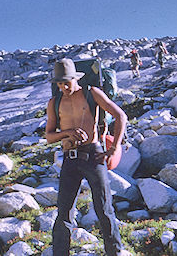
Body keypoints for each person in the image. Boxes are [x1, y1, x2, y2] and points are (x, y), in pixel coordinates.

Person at [46, 58, 128, 256]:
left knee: (104, 209)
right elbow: (49, 137)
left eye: (66, 82)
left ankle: (114, 252)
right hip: (69, 158)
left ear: (76, 79)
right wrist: (67, 133)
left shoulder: (91, 93)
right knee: (63, 212)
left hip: (93, 155)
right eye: (59, 83)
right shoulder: (54, 102)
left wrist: (114, 147)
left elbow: (120, 116)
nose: (63, 87)